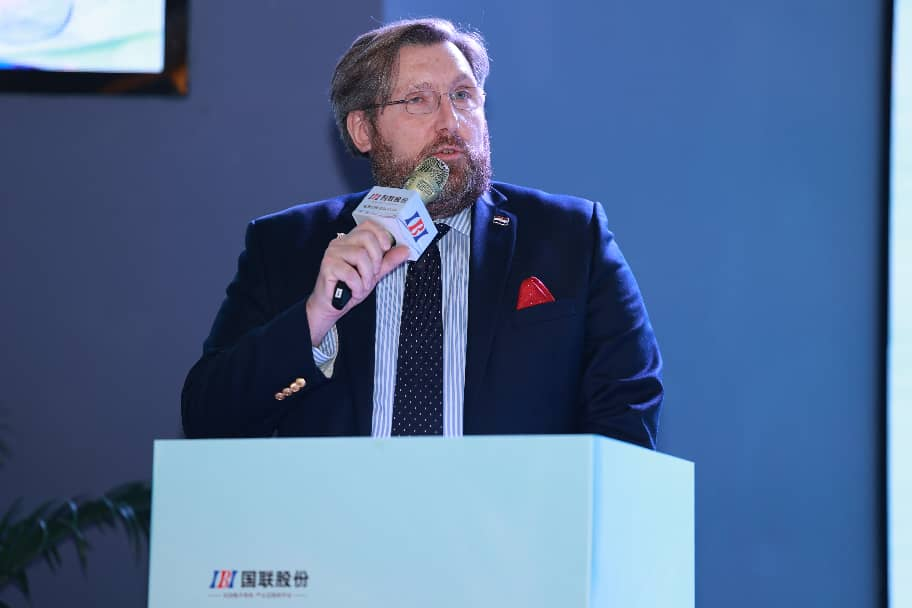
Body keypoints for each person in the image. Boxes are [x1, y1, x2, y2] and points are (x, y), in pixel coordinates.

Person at [181, 18, 663, 448]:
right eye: (418, 100)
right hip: (338, 520)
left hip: (511, 521)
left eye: (463, 96)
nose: (451, 122)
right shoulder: (287, 247)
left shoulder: (571, 238)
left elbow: (627, 412)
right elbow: (207, 418)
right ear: (363, 130)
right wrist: (315, 318)